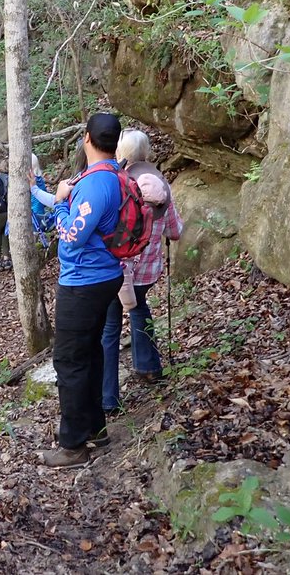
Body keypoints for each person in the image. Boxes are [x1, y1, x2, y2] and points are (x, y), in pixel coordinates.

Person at [40, 113, 126, 468]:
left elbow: (72, 239)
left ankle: (72, 445)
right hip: (107, 275)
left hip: (84, 282)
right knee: (89, 352)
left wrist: (61, 202)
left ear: (87, 138)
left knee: (69, 361)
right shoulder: (118, 176)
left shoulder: (94, 184)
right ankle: (95, 428)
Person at [101, 129, 183, 414]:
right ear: (146, 153)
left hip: (115, 271)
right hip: (147, 274)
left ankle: (107, 397)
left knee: (109, 327)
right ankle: (149, 367)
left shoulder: (117, 184)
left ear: (120, 153)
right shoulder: (162, 187)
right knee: (139, 308)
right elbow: (175, 231)